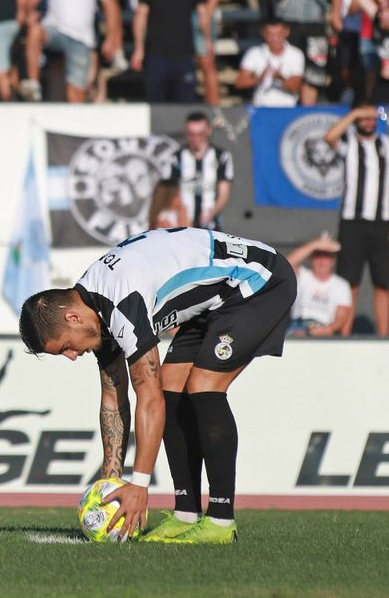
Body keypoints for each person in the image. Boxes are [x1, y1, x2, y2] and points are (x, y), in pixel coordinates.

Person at [18, 227, 298, 544]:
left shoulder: (122, 302)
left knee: (204, 385)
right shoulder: (94, 308)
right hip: (215, 300)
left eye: (65, 347)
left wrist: (138, 485)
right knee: (171, 388)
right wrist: (110, 484)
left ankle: (221, 520)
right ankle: (186, 515)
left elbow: (147, 399)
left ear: (72, 318)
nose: (71, 356)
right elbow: (113, 398)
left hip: (259, 281)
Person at [325, 105, 389, 336]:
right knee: (349, 282)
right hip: (353, 222)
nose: (369, 122)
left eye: (373, 118)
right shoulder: (348, 143)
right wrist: (353, 115)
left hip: (383, 222)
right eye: (364, 118)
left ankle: (383, 336)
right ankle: (345, 334)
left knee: (383, 282)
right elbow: (330, 137)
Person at [132, 0, 201, 103]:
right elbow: (140, 18)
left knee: (186, 107)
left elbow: (203, 17)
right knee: (155, 108)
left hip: (184, 55)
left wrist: (204, 45)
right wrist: (138, 49)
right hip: (156, 56)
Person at [168, 112, 233, 230]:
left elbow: (224, 193)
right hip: (184, 225)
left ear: (208, 131)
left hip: (211, 226)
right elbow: (170, 192)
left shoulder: (221, 157)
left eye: (200, 134)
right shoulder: (176, 157)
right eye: (191, 134)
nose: (196, 139)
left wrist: (212, 213)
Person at [288, 234, 353, 337]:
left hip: (323, 327)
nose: (322, 261)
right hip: (296, 325)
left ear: (333, 261)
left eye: (327, 257)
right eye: (318, 256)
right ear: (312, 258)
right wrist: (314, 245)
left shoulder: (341, 285)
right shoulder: (302, 276)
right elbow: (286, 265)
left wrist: (329, 329)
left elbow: (342, 317)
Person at [233, 19, 304, 108]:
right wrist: (259, 79)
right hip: (260, 108)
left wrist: (280, 77)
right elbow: (239, 83)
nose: (275, 38)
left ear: (287, 32)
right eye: (270, 34)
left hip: (288, 109)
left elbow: (297, 87)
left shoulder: (296, 54)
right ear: (263, 33)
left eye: (279, 34)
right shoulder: (254, 53)